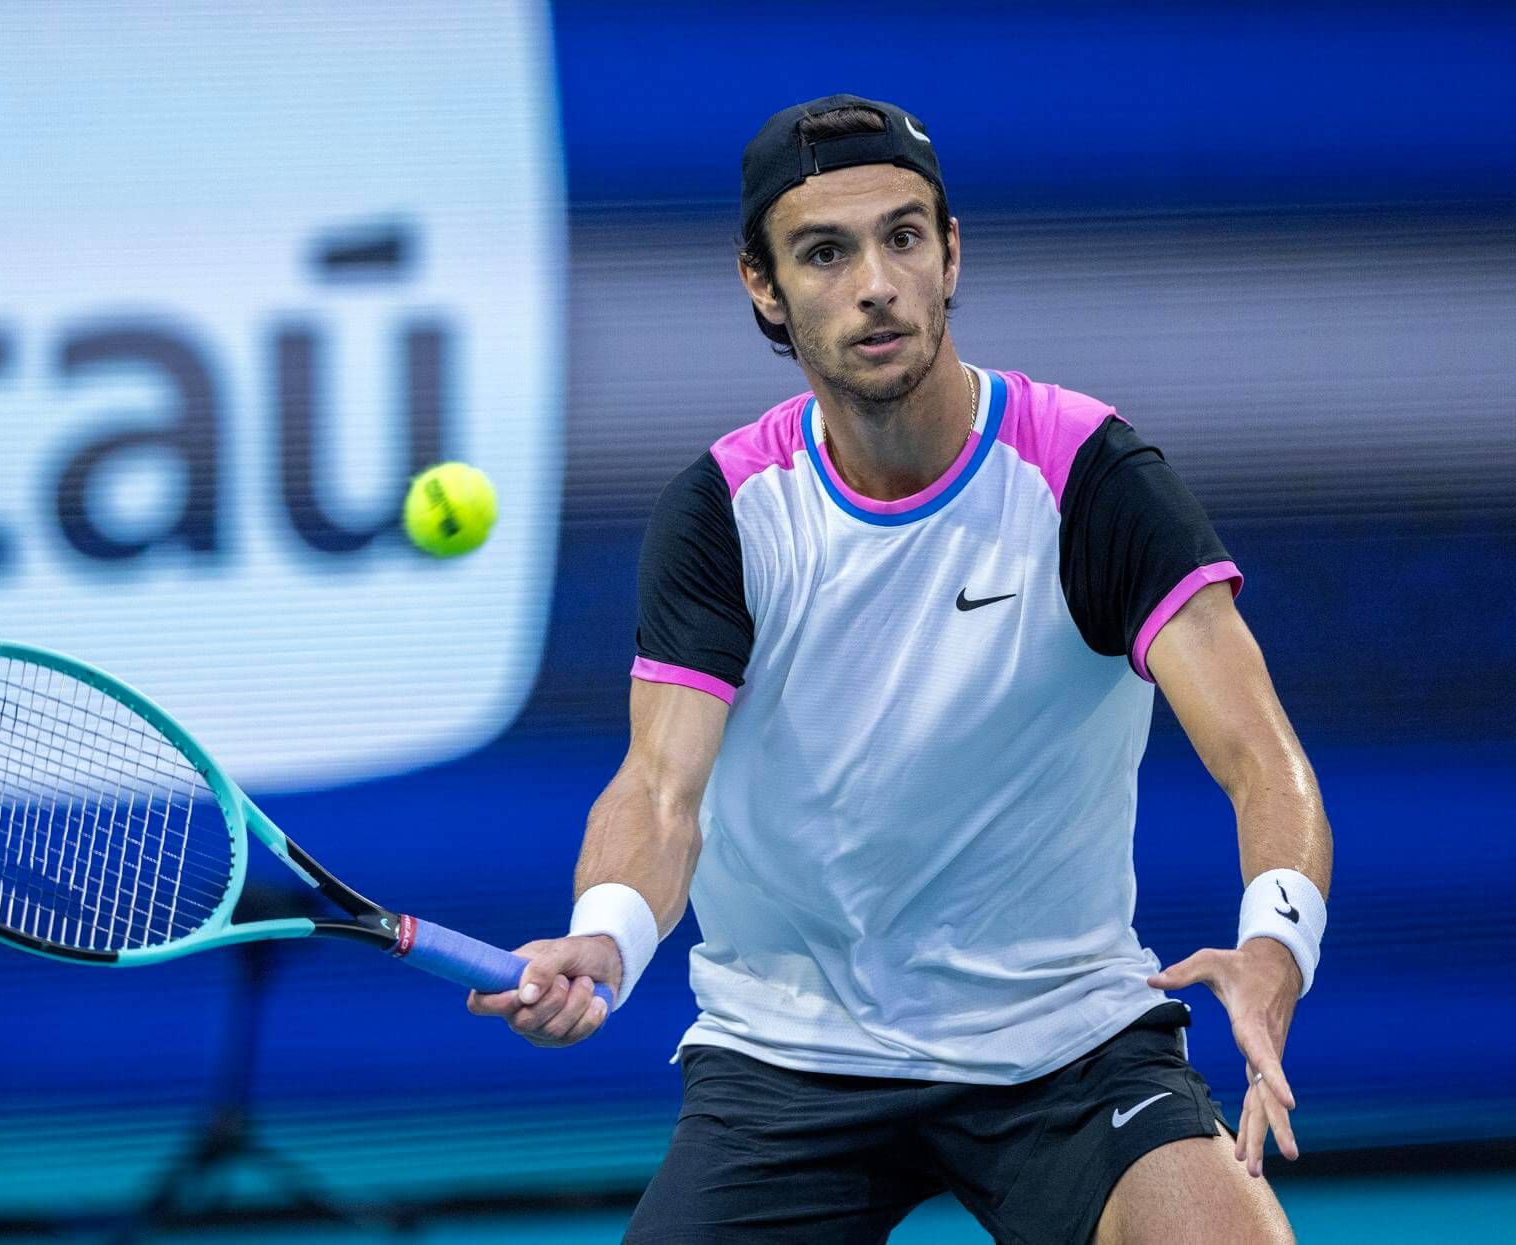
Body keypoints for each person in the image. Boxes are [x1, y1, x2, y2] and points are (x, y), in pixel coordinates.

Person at [468, 95, 1331, 1243]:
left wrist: (1277, 948)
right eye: (825, 252)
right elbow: (660, 791)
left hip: (1064, 1040)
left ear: (950, 253)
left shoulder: (1089, 477)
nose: (876, 281)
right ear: (763, 288)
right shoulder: (726, 512)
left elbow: (1261, 759)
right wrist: (608, 936)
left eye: (904, 237)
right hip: (790, 1053)